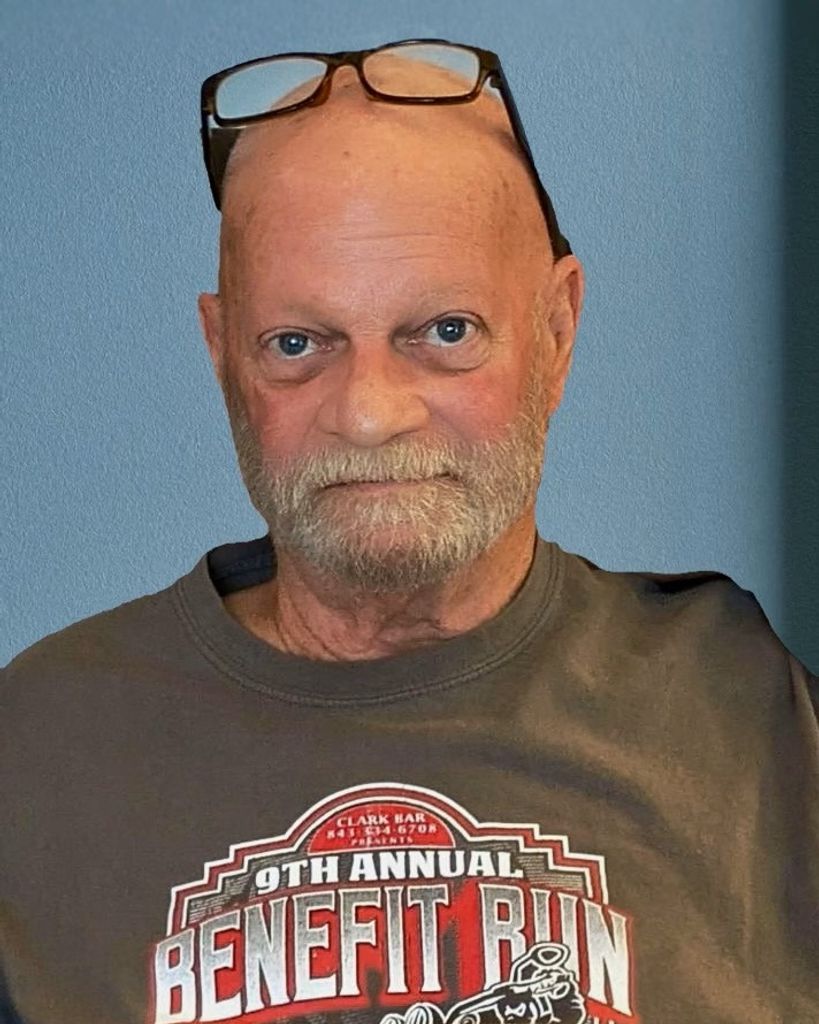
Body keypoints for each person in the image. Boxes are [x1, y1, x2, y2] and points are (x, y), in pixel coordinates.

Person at [1, 38, 816, 1024]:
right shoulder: (36, 745)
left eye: (445, 332)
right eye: (297, 343)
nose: (370, 414)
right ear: (222, 354)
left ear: (556, 331)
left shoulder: (757, 707)